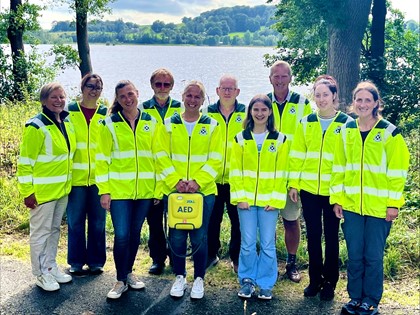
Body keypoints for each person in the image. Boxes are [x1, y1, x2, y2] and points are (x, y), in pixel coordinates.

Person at [331, 82, 409, 315]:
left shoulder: (389, 132)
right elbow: (338, 167)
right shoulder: (346, 130)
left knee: (373, 257)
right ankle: (355, 298)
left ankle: (371, 300)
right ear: (353, 102)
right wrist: (337, 199)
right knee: (354, 255)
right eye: (359, 99)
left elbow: (398, 172)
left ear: (376, 103)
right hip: (352, 206)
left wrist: (393, 203)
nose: (363, 104)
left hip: (379, 208)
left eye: (368, 100)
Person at [155, 80, 222, 299]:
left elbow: (217, 159)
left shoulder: (212, 125)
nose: (192, 100)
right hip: (174, 191)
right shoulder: (168, 124)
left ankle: (199, 278)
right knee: (176, 237)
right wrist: (176, 181)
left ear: (203, 100)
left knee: (199, 236)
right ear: (182, 97)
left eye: (197, 97)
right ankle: (180, 276)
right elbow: (161, 156)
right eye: (189, 96)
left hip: (203, 192)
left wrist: (197, 182)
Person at [288, 75, 353, 300]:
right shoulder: (306, 122)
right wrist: (294, 184)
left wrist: (342, 193)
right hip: (309, 190)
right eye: (318, 95)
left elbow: (349, 162)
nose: (322, 99)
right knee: (313, 236)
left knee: (332, 237)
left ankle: (330, 283)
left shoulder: (346, 123)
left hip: (333, 193)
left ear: (334, 96)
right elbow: (296, 156)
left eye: (326, 94)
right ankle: (315, 280)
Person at [96, 80, 159, 299]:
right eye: (122, 96)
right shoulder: (109, 123)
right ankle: (120, 280)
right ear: (118, 99)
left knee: (134, 234)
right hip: (119, 191)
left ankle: (129, 273)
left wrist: (158, 189)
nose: (127, 99)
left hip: (144, 191)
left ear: (137, 94)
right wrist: (104, 190)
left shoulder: (151, 121)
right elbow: (101, 160)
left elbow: (158, 157)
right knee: (121, 235)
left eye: (130, 94)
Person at [17, 82, 76, 291]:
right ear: (44, 100)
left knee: (53, 231)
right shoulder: (36, 126)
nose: (59, 101)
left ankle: (50, 267)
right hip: (42, 193)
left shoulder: (66, 121)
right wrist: (27, 192)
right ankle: (40, 274)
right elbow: (25, 162)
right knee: (40, 233)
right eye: (54, 97)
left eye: (62, 96)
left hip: (61, 190)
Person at [230, 94, 289, 300]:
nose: (260, 113)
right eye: (256, 109)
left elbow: (282, 172)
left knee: (267, 243)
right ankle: (247, 281)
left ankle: (265, 283)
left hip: (269, 204)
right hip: (245, 202)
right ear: (250, 112)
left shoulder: (280, 140)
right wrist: (240, 197)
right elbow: (235, 171)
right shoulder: (239, 139)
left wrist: (276, 199)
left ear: (270, 112)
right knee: (246, 242)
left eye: (264, 109)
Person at [267, 60, 312, 282]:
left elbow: (307, 143)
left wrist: (297, 179)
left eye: (284, 76)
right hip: (267, 175)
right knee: (266, 222)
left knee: (291, 220)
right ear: (270, 78)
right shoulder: (263, 102)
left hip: (291, 175)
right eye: (276, 75)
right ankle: (269, 263)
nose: (280, 80)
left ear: (290, 78)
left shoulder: (303, 103)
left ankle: (291, 264)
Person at [139, 68, 183, 275]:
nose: (162, 88)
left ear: (172, 87)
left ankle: (176, 257)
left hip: (175, 175)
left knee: (176, 221)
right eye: (158, 84)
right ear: (152, 86)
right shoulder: (142, 109)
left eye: (167, 84)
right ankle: (158, 258)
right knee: (154, 222)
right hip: (152, 175)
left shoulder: (181, 108)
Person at [202, 74, 246, 273]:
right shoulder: (206, 113)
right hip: (212, 177)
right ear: (217, 91)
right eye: (224, 88)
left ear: (237, 91)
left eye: (231, 88)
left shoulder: (246, 113)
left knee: (238, 222)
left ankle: (236, 258)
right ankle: (211, 254)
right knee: (212, 219)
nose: (227, 91)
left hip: (237, 178)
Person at [66, 73, 107, 276]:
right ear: (82, 87)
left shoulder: (106, 114)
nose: (94, 90)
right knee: (75, 222)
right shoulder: (69, 111)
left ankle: (96, 261)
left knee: (99, 222)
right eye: (90, 86)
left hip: (100, 180)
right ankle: (75, 262)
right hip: (76, 179)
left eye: (98, 87)